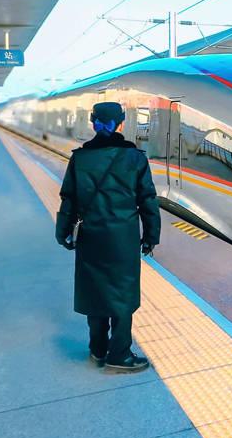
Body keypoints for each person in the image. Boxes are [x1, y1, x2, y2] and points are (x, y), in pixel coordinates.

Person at [55, 102, 161, 374]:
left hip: (90, 236)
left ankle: (98, 349)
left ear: (93, 123)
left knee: (96, 291)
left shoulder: (80, 158)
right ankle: (120, 355)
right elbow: (148, 200)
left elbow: (69, 198)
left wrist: (62, 230)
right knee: (122, 294)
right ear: (122, 123)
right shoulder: (135, 158)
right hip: (122, 239)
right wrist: (151, 235)